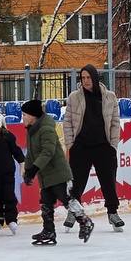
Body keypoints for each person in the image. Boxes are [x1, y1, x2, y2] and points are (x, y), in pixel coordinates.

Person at [21, 99, 93, 244]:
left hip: (58, 173)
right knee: (46, 203)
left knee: (67, 199)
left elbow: (48, 151)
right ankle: (48, 230)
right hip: (45, 175)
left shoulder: (46, 129)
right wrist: (28, 170)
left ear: (33, 116)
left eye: (24, 115)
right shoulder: (31, 129)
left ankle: (85, 222)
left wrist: (34, 168)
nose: (22, 117)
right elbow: (31, 153)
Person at [62, 64, 124, 231]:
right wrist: (71, 144)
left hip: (103, 147)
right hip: (81, 146)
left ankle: (113, 213)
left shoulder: (109, 97)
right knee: (77, 183)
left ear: (95, 78)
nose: (86, 81)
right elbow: (67, 122)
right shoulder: (74, 97)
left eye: (89, 77)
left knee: (108, 182)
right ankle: (73, 212)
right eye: (83, 78)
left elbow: (115, 123)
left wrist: (113, 145)